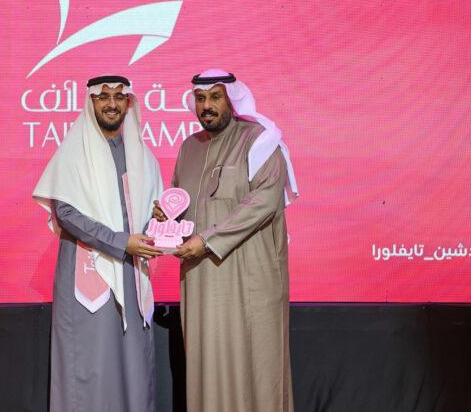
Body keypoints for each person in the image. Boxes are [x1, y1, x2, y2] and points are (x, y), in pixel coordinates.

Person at [155, 69, 299, 412]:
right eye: (201, 98)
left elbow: (264, 201)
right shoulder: (189, 147)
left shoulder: (259, 140)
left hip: (251, 278)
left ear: (232, 100)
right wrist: (166, 217)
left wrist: (207, 240)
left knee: (256, 363)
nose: (207, 106)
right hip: (202, 279)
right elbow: (184, 203)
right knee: (208, 360)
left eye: (215, 97)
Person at [33, 75, 163, 412]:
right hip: (88, 272)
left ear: (129, 103)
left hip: (131, 273)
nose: (111, 104)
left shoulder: (142, 156)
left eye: (119, 97)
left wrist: (159, 220)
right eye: (103, 97)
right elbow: (66, 213)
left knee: (133, 365)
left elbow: (151, 212)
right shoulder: (74, 152)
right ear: (91, 102)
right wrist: (120, 242)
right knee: (93, 363)